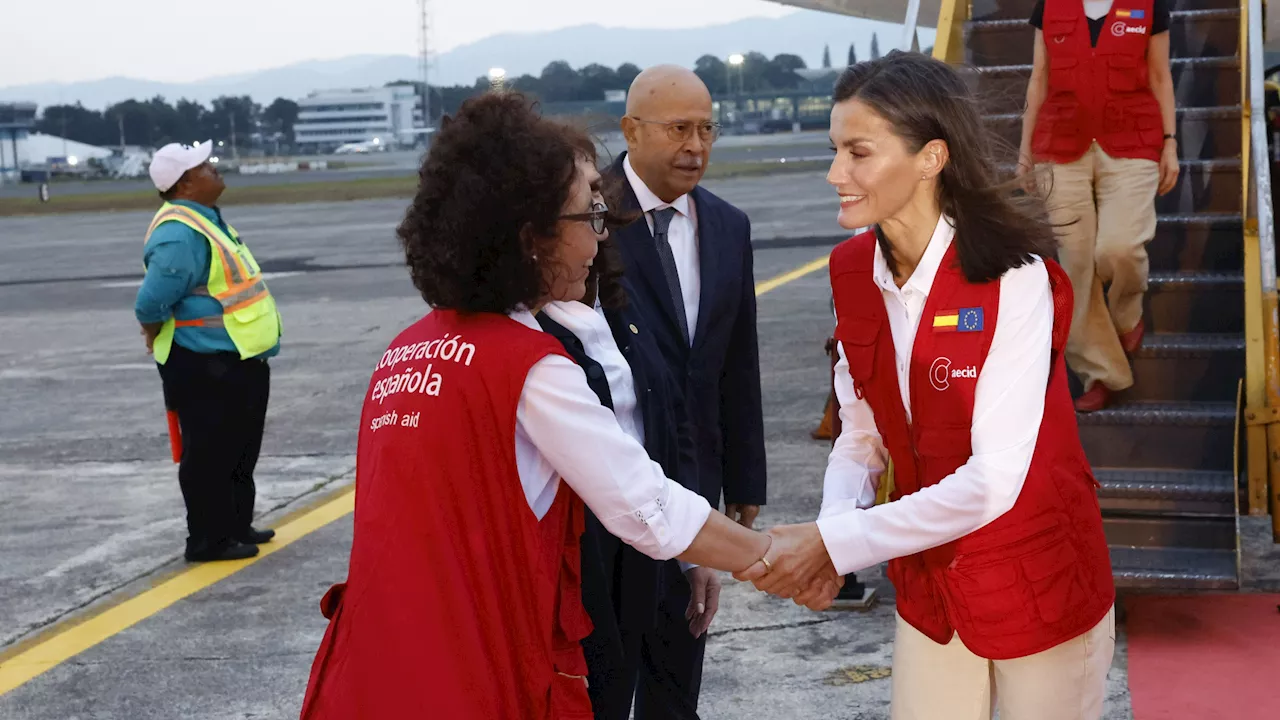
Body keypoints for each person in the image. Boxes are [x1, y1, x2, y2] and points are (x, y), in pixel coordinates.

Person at [297, 92, 773, 720]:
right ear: (532, 238)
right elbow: (646, 509)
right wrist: (777, 557)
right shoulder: (531, 366)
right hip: (481, 669)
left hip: (392, 660)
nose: (600, 240)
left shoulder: (407, 351)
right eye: (588, 219)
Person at [738, 52, 1117, 720]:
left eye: (858, 152)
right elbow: (861, 435)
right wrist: (835, 535)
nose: (835, 174)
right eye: (835, 151)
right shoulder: (852, 270)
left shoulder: (1014, 277)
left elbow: (994, 480)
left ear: (931, 158)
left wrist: (834, 545)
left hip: (1038, 579)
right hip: (929, 586)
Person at [608, 64, 767, 719]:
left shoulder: (728, 226)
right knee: (608, 680)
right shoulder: (586, 216)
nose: (696, 147)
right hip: (611, 493)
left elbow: (737, 362)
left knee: (678, 680)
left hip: (694, 491)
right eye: (679, 129)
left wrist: (744, 486)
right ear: (630, 130)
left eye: (708, 130)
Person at [535, 129, 696, 720]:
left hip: (638, 560)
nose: (603, 229)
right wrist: (759, 555)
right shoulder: (530, 355)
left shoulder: (606, 301)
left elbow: (663, 419)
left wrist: (690, 558)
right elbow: (625, 485)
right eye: (590, 207)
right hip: (581, 578)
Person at [1018, 0, 1179, 411]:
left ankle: (1126, 315)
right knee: (1074, 264)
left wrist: (1170, 143)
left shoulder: (1148, 5)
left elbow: (1160, 76)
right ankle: (1102, 372)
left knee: (1118, 248)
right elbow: (1040, 77)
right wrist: (1025, 149)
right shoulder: (1050, 6)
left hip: (1132, 141)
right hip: (1060, 143)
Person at [135, 141, 280, 563]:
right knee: (209, 454)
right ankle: (207, 539)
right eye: (205, 167)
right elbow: (150, 303)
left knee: (238, 449)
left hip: (237, 358)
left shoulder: (206, 220)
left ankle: (235, 525)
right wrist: (152, 331)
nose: (215, 170)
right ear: (185, 182)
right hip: (204, 363)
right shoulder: (180, 233)